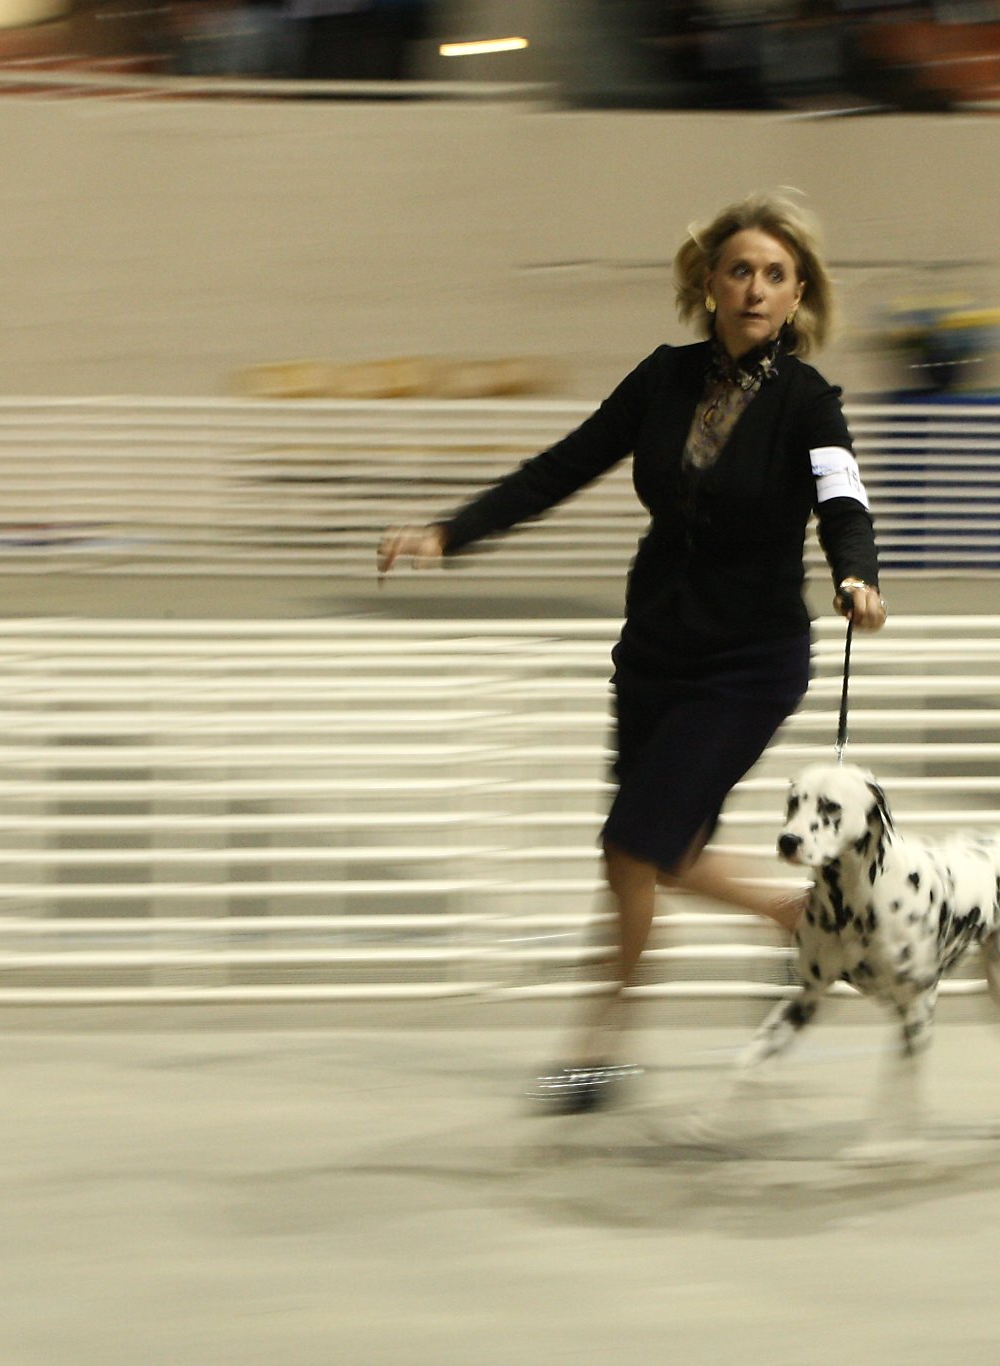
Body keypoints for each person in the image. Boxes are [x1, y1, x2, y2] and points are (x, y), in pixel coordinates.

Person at [377, 190, 887, 1114]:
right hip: (655, 651)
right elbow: (563, 464)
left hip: (751, 660)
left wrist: (857, 576)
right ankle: (802, 921)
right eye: (740, 270)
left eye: (776, 274)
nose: (756, 289)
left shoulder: (809, 402)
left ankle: (601, 1045)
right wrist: (452, 532)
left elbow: (841, 500)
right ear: (710, 282)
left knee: (630, 847)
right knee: (666, 851)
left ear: (798, 292)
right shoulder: (663, 377)